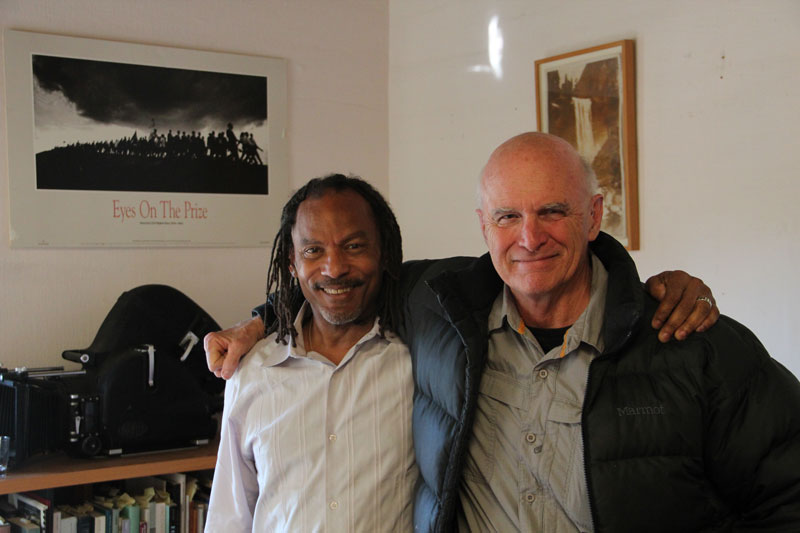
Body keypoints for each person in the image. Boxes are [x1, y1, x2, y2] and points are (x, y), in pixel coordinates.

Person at [205, 136, 733, 531]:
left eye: (551, 211)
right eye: (508, 216)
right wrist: (261, 319)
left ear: (593, 217)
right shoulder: (256, 372)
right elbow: (329, 282)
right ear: (485, 226)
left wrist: (670, 287)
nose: (528, 237)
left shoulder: (432, 329)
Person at [205, 174, 417, 531]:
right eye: (313, 250)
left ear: (383, 251)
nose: (334, 269)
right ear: (292, 262)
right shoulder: (252, 371)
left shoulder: (418, 361)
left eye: (353, 247)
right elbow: (231, 515)